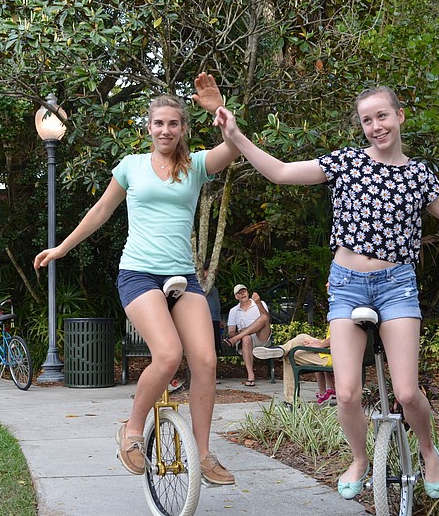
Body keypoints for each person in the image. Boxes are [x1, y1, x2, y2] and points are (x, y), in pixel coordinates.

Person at [213, 86, 439, 500]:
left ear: (400, 117)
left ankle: (427, 450)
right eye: (367, 120)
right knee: (347, 392)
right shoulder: (346, 162)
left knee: (406, 391)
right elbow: (279, 172)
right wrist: (236, 135)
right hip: (347, 286)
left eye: (382, 116)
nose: (375, 126)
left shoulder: (419, 175)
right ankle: (359, 459)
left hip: (397, 286)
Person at [34, 73, 239, 485]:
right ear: (149, 127)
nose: (166, 130)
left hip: (183, 276)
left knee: (205, 360)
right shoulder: (130, 167)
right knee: (166, 355)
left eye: (174, 123)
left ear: (183, 128)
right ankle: (130, 431)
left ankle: (202, 453)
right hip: (139, 273)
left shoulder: (197, 165)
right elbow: (99, 212)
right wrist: (61, 249)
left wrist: (219, 111)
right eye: (159, 123)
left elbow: (235, 148)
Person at [253, 333, 335, 405]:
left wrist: (321, 345)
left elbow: (338, 336)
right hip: (330, 351)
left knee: (289, 357)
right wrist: (320, 342)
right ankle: (281, 349)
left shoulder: (342, 317)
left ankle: (290, 401)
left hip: (335, 357)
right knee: (303, 337)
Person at [226, 285, 271, 386]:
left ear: (248, 292)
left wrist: (258, 303)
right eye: (239, 293)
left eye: (244, 291)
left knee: (263, 317)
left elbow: (267, 319)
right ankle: (251, 376)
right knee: (246, 337)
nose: (242, 294)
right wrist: (240, 333)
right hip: (245, 342)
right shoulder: (234, 311)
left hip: (261, 337)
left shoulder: (260, 303)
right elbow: (230, 332)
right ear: (236, 297)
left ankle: (236, 339)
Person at [202, 260, 223, 354]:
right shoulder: (202, 285)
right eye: (212, 271)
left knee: (216, 349)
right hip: (206, 321)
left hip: (215, 320)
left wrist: (219, 320)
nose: (215, 274)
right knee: (209, 349)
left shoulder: (212, 286)